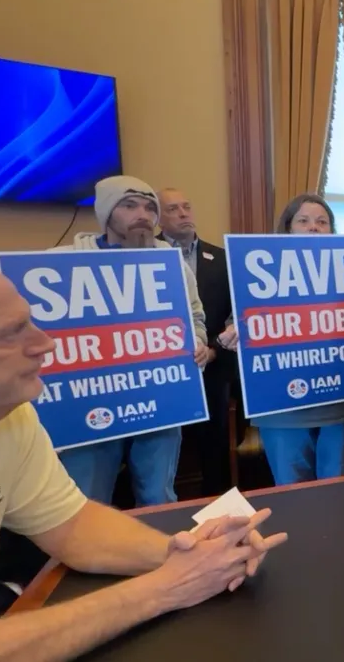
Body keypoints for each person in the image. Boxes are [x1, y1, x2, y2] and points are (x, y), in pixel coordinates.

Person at [0, 243, 286, 654]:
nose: (45, 344)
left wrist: (193, 551)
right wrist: (165, 588)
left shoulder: (7, 420)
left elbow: (73, 526)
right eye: (7, 334)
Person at [52, 176, 209, 507]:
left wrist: (196, 341)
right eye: (129, 205)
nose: (143, 213)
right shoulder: (62, 263)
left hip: (160, 400)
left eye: (150, 207)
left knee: (159, 496)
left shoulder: (174, 265)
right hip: (90, 404)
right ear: (107, 212)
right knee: (87, 501)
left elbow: (195, 317)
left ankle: (165, 557)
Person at [218, 194, 344, 485]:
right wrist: (230, 336)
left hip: (341, 400)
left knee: (337, 488)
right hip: (282, 406)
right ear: (287, 229)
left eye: (322, 222)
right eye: (304, 220)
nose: (314, 227)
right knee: (292, 489)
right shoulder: (260, 266)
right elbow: (235, 322)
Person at [157, 187, 236, 496]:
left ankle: (218, 502)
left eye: (186, 206)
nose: (183, 213)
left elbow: (234, 315)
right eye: (173, 209)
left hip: (213, 372)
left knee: (213, 447)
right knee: (165, 455)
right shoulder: (145, 256)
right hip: (163, 376)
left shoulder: (221, 259)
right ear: (158, 218)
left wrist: (214, 349)